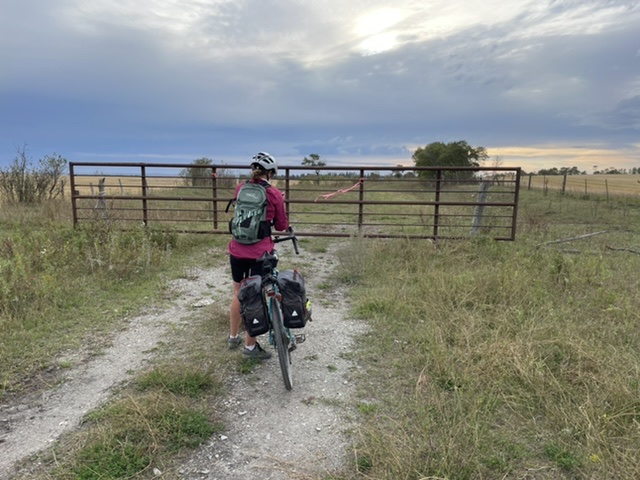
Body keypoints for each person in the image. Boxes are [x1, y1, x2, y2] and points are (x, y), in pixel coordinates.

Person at [227, 152, 289, 359]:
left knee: (238, 292)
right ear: (270, 173)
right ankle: (250, 348)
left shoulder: (240, 188)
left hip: (236, 249)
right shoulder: (274, 193)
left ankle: (233, 337)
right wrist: (279, 203)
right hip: (260, 253)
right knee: (254, 295)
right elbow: (281, 225)